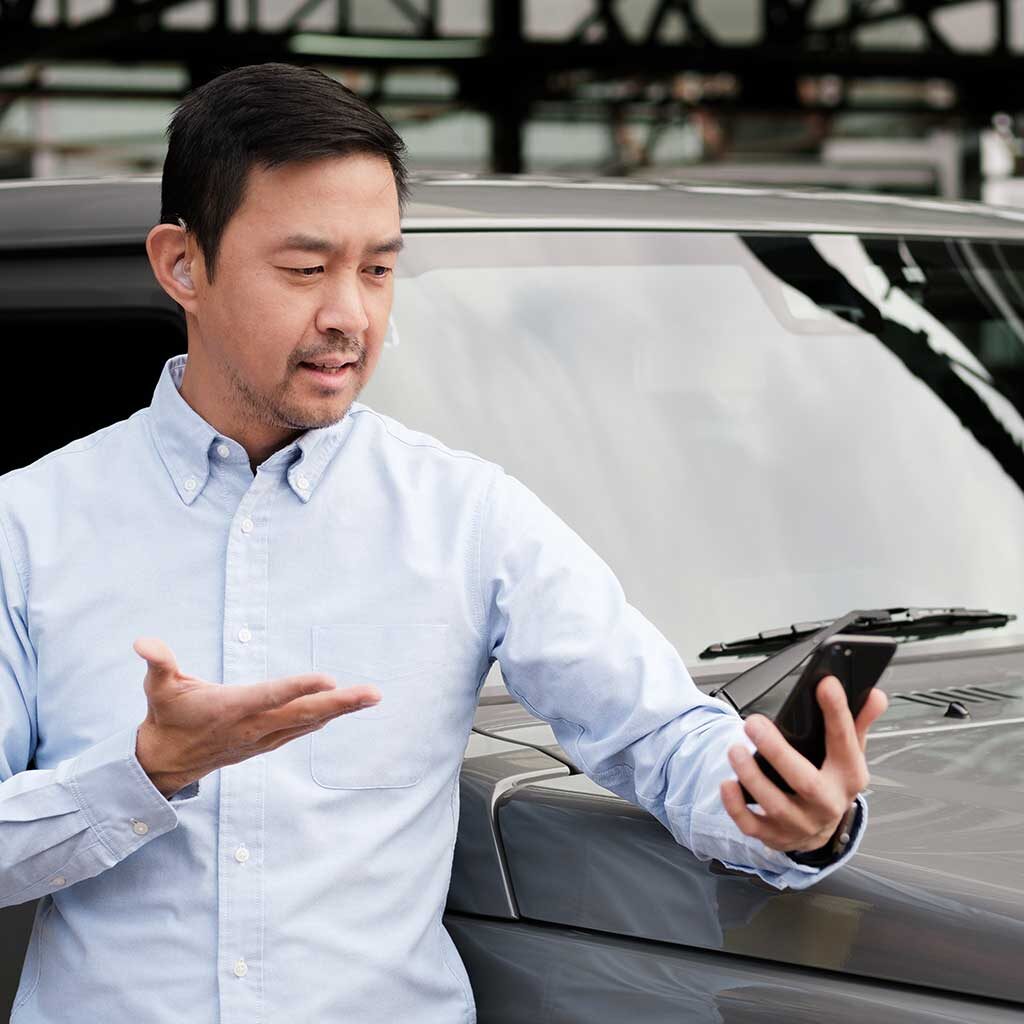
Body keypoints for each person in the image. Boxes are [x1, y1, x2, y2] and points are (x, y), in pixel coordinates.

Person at [0, 63, 886, 1023]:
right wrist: (148, 771)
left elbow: (659, 731)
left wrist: (787, 812)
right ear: (182, 265)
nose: (351, 314)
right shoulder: (30, 524)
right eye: (305, 269)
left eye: (378, 268)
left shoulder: (469, 517)